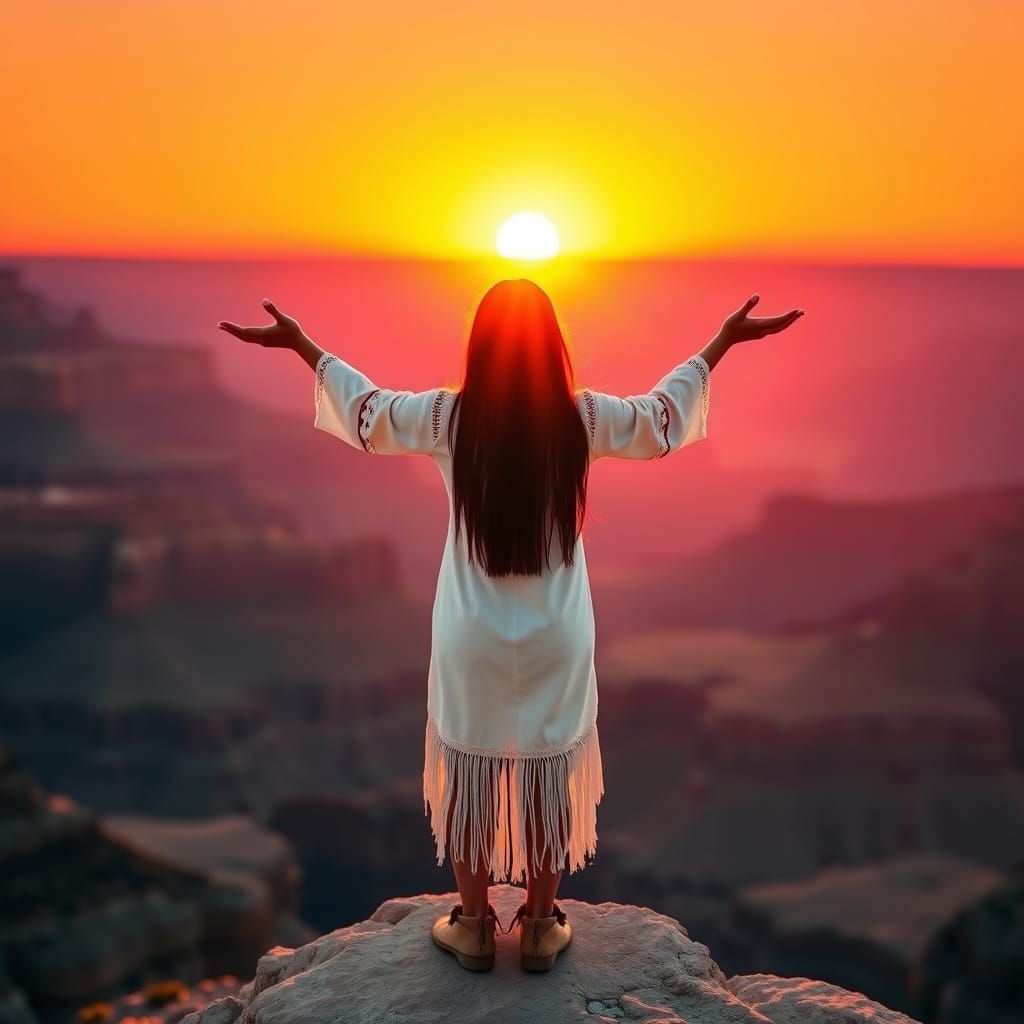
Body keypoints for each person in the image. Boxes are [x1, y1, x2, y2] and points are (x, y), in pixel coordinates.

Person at [218, 280, 804, 973]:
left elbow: (367, 411)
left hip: (470, 634)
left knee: (471, 767)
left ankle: (471, 925)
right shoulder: (582, 419)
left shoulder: (448, 418)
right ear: (551, 347)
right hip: (557, 634)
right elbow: (663, 416)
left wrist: (303, 346)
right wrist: (722, 342)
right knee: (548, 770)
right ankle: (539, 926)